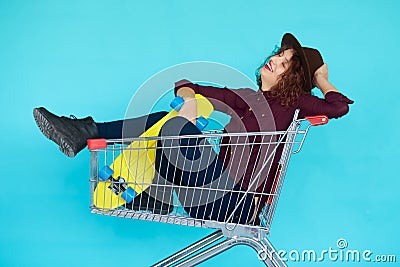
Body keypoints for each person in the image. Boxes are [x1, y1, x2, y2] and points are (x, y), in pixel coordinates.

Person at [33, 33, 353, 224]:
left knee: (172, 127)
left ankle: (87, 134)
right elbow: (188, 85)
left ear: (294, 80)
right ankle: (147, 192)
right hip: (209, 194)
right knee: (169, 121)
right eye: (278, 55)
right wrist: (189, 100)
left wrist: (320, 79)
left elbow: (338, 107)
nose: (275, 61)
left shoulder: (296, 102)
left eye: (284, 64)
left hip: (238, 206)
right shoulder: (248, 99)